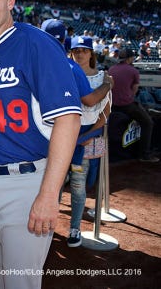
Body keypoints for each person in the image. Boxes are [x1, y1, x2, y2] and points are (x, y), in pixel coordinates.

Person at [0, 0, 82, 289]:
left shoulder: (37, 43)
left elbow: (69, 119)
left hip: (25, 183)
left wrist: (48, 194)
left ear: (11, 0)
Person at [67, 36, 112, 247]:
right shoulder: (64, 72)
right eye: (76, 50)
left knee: (79, 185)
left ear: (91, 53)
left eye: (84, 50)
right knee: (53, 184)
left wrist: (85, 137)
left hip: (86, 139)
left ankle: (74, 228)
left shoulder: (103, 77)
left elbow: (105, 114)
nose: (80, 53)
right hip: (62, 135)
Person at [109, 48, 159, 162]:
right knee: (148, 123)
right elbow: (134, 91)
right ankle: (144, 154)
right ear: (129, 58)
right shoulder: (133, 71)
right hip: (126, 105)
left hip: (112, 105)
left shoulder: (111, 69)